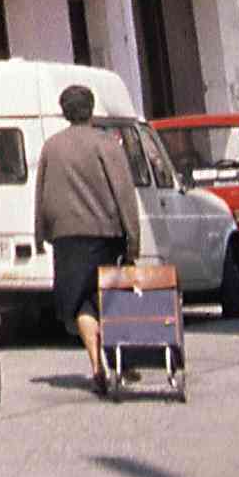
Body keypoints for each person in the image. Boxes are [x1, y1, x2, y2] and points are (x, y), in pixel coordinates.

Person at [33, 83, 143, 390]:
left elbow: (42, 193)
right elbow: (124, 193)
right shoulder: (107, 144)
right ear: (91, 110)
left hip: (67, 238)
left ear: (64, 111)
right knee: (108, 297)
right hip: (105, 236)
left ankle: (96, 365)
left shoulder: (51, 147)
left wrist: (41, 233)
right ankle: (119, 360)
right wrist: (133, 240)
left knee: (79, 301)